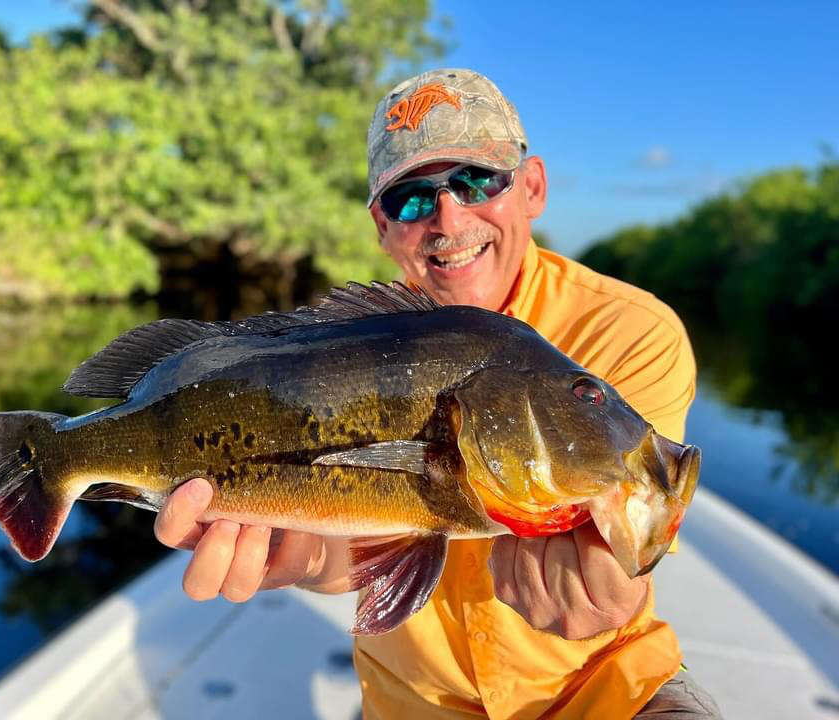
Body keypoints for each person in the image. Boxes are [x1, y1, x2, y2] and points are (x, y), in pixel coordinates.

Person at [154, 69, 722, 719]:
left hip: (602, 685)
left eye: (478, 180)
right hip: (410, 701)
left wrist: (615, 581)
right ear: (382, 226)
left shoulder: (630, 332)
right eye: (412, 198)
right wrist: (311, 557)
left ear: (531, 186)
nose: (449, 217)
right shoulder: (345, 348)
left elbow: (633, 525)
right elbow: (361, 546)